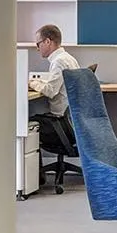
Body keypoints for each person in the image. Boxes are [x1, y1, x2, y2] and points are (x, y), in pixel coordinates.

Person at [26, 23, 82, 159]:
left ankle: (37, 177)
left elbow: (51, 90)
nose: (38, 49)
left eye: (38, 44)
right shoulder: (69, 58)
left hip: (60, 122)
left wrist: (31, 83)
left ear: (47, 41)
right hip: (71, 121)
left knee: (26, 125)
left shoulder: (59, 62)